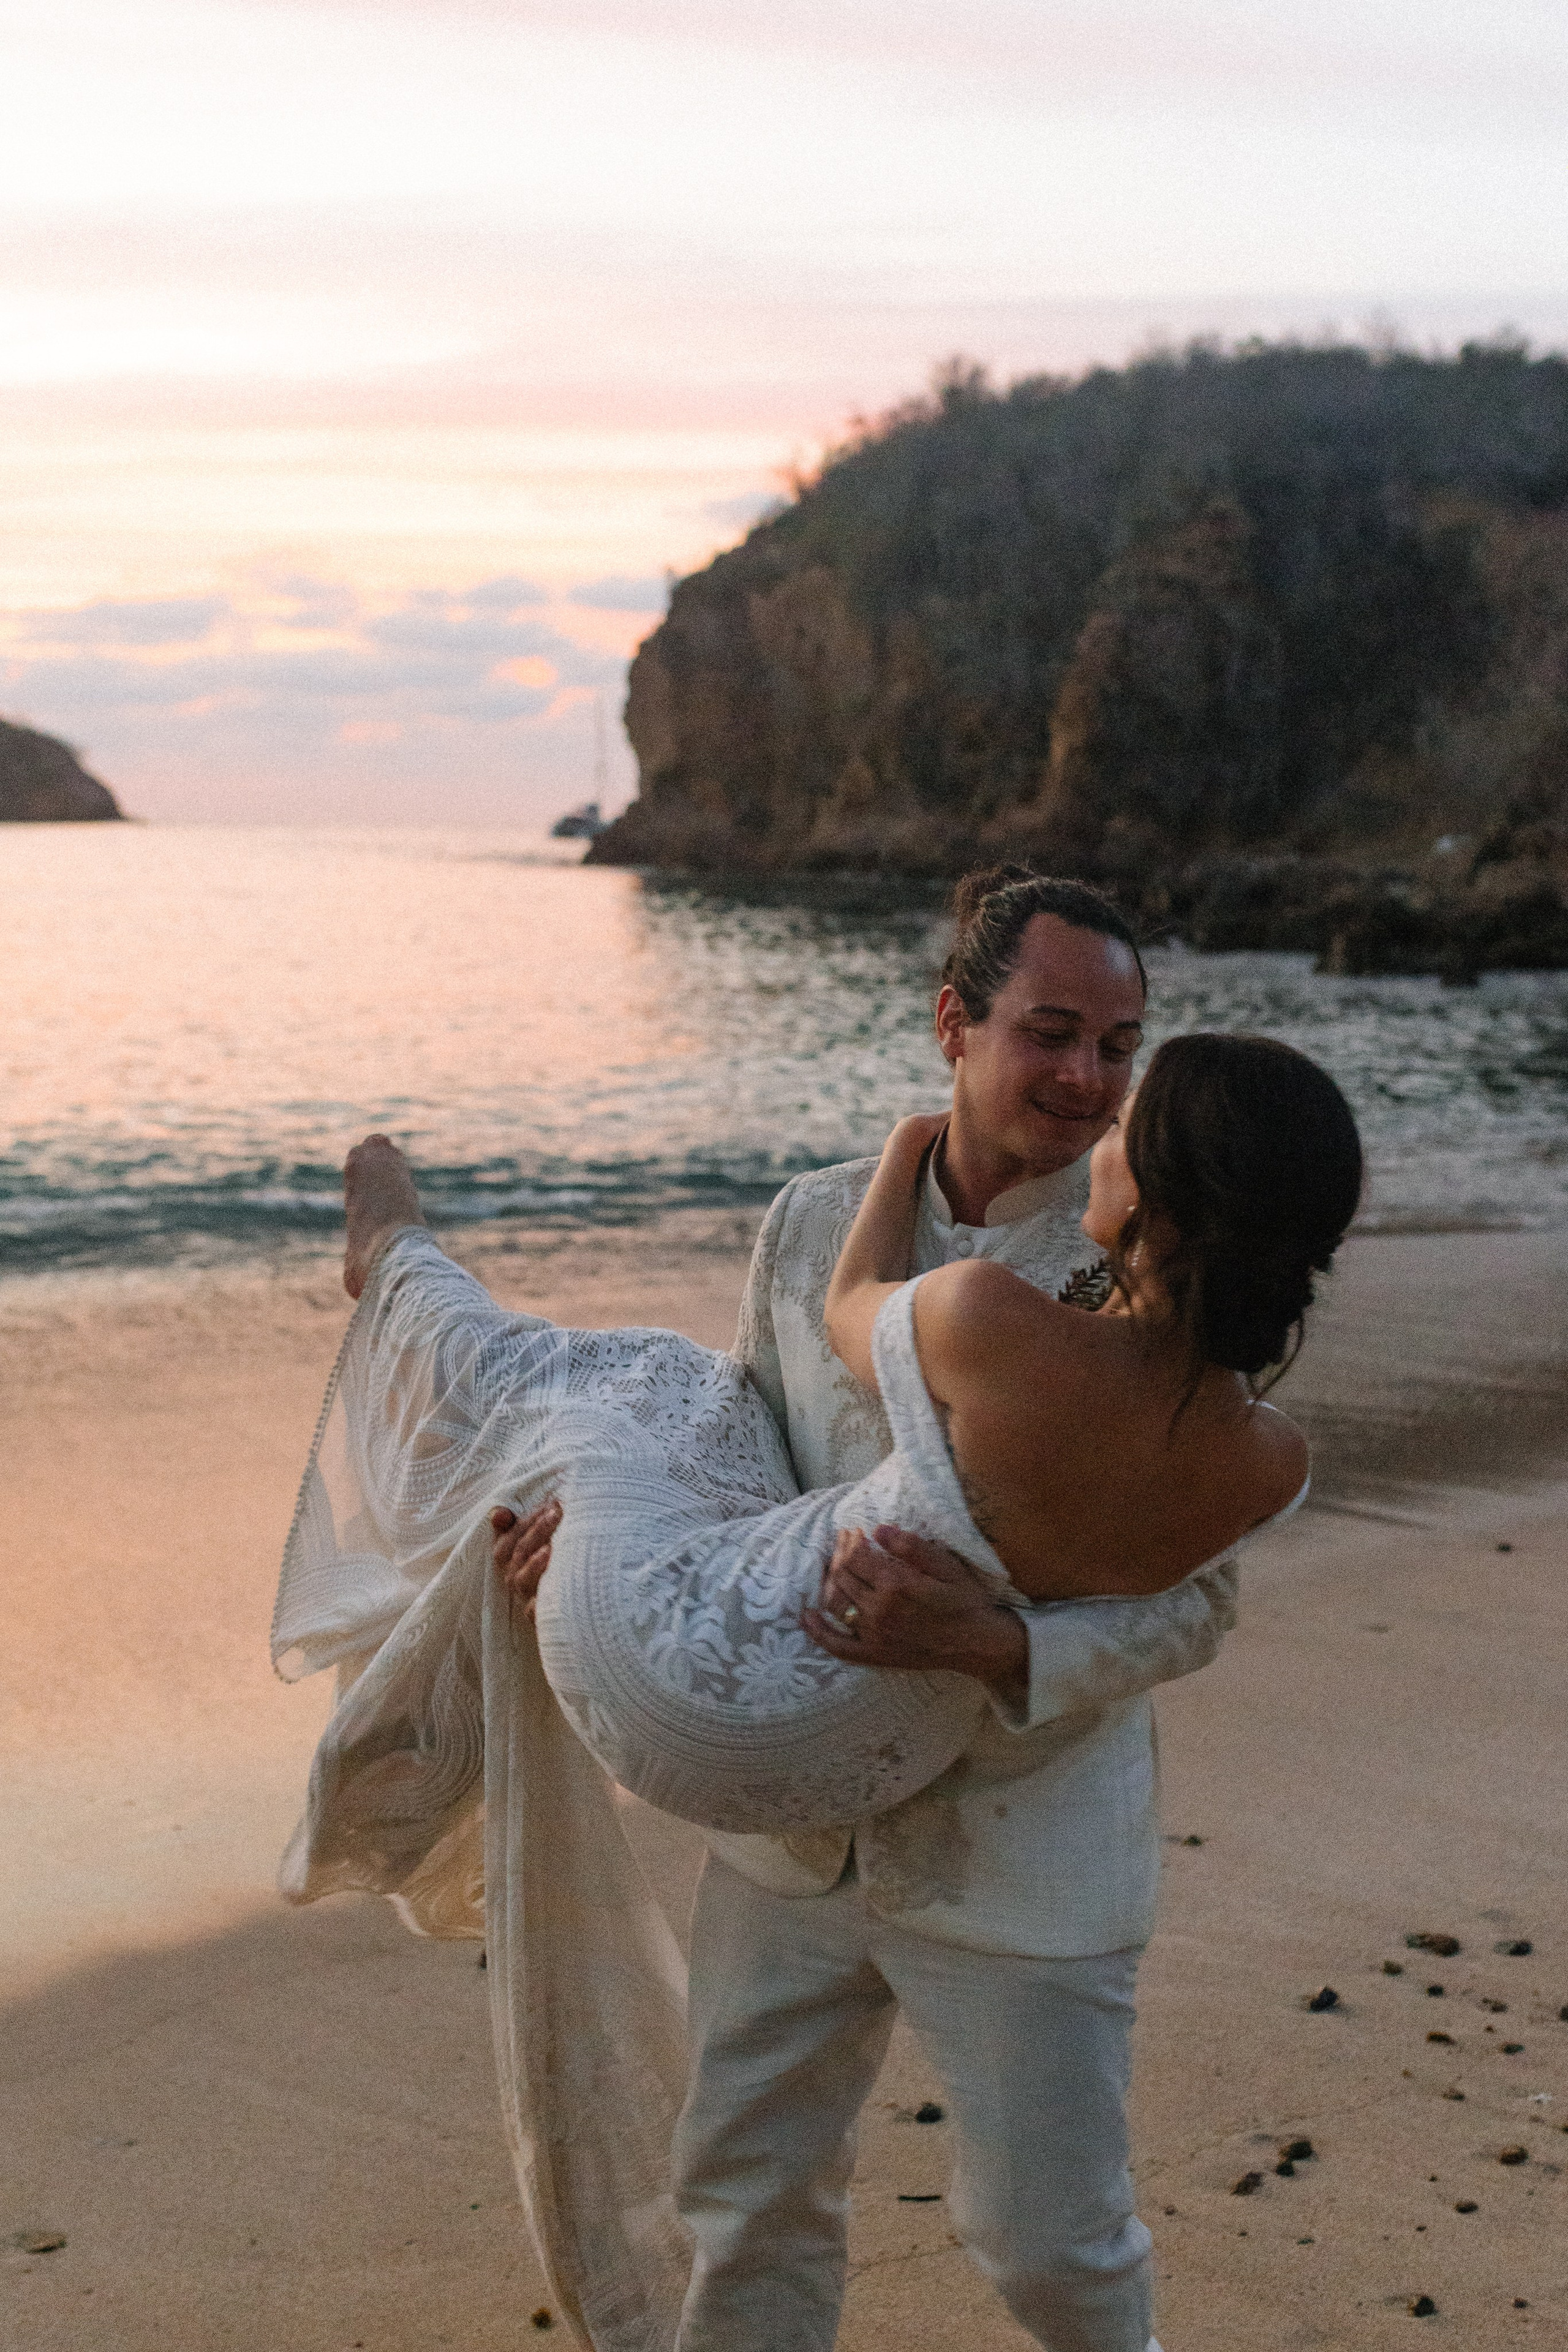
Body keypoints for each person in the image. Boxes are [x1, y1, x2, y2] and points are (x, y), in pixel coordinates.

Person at [274, 880, 1361, 2352]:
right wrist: (587, 1556)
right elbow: (735, 1451)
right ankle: (408, 1285)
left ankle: (400, 1271)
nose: (1086, 1079)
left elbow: (1194, 1606)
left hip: (1015, 1843)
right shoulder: (803, 1223)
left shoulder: (1167, 1275)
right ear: (952, 1027)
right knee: (742, 2200)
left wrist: (996, 1645)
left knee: (1047, 2248)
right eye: (1051, 1033)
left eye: (1119, 1047)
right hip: (790, 1832)